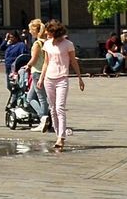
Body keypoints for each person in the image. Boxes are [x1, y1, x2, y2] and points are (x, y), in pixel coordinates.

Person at [37, 19, 84, 149]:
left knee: (60, 107)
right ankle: (58, 134)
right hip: (49, 79)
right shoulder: (47, 44)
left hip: (62, 78)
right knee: (52, 109)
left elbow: (73, 61)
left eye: (48, 32)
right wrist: (41, 78)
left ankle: (61, 138)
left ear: (54, 32)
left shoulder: (68, 44)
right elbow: (46, 62)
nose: (46, 34)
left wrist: (80, 78)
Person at [16, 19, 50, 131]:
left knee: (40, 98)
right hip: (46, 72)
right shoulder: (47, 42)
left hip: (37, 72)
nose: (30, 31)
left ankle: (43, 118)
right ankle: (44, 118)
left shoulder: (37, 43)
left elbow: (34, 59)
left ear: (35, 30)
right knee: (31, 97)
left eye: (31, 29)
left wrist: (28, 66)